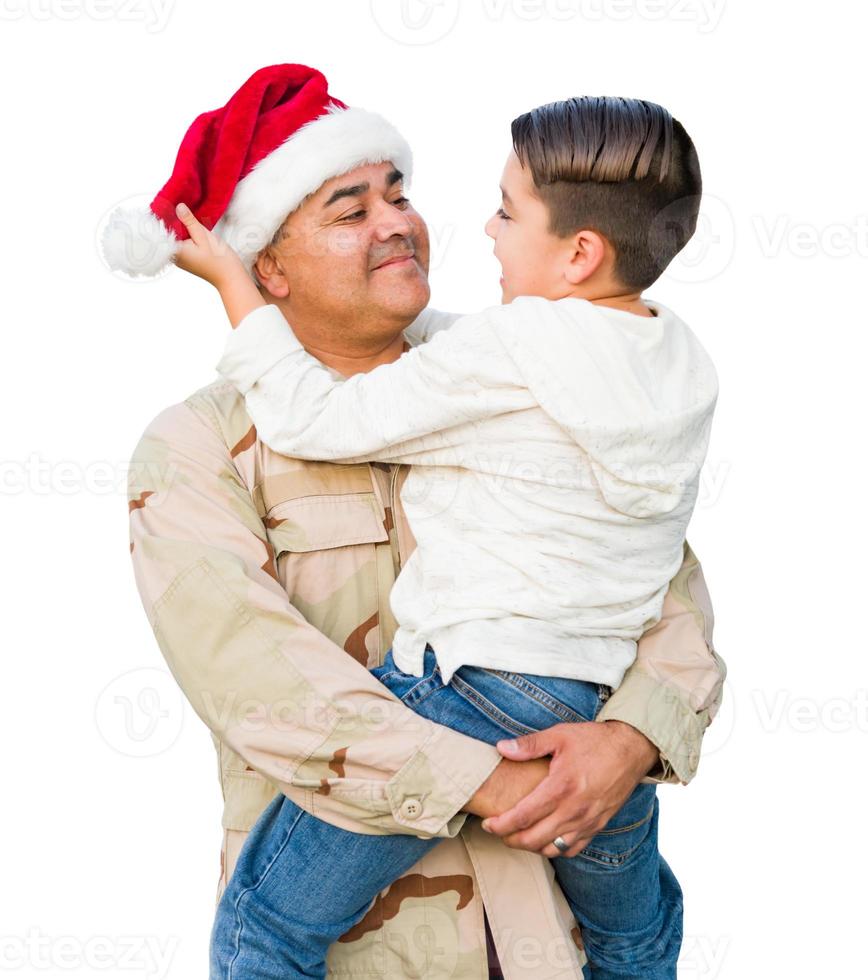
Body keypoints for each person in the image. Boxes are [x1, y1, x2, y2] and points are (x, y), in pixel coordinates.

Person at [113, 64, 726, 980]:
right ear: (264, 268)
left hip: (541, 944)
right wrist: (506, 779)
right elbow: (259, 685)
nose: (398, 221)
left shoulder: (533, 370)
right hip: (367, 955)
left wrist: (629, 742)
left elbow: (661, 585)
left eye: (398, 193)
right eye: (349, 210)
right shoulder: (197, 451)